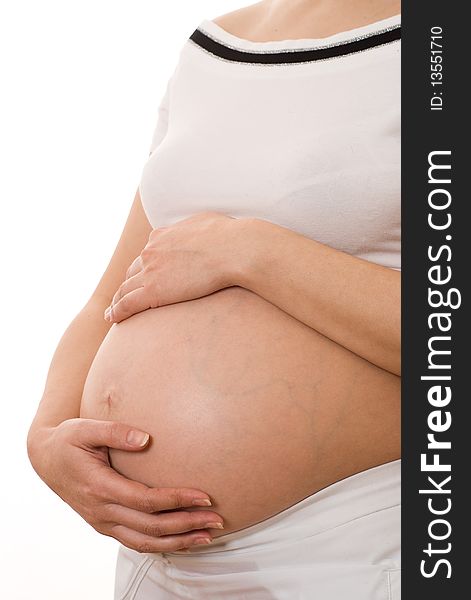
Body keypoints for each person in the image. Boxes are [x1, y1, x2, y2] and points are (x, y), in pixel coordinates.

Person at [27, 1, 402, 598]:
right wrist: (46, 437)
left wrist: (253, 251)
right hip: (159, 562)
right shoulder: (211, 47)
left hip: (352, 545)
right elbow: (112, 291)